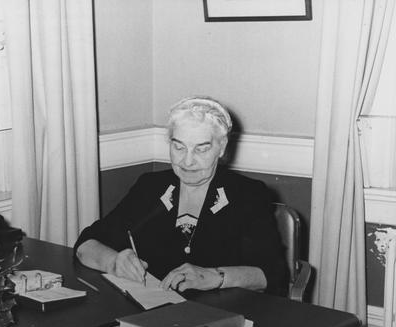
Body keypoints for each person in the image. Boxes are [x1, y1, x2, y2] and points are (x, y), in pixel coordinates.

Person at [74, 96, 288, 295]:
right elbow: (86, 243)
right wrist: (113, 262)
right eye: (179, 147)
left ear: (221, 148)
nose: (187, 162)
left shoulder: (248, 194)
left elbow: (272, 274)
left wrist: (216, 277)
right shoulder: (151, 187)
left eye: (201, 149)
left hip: (221, 315)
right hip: (153, 312)